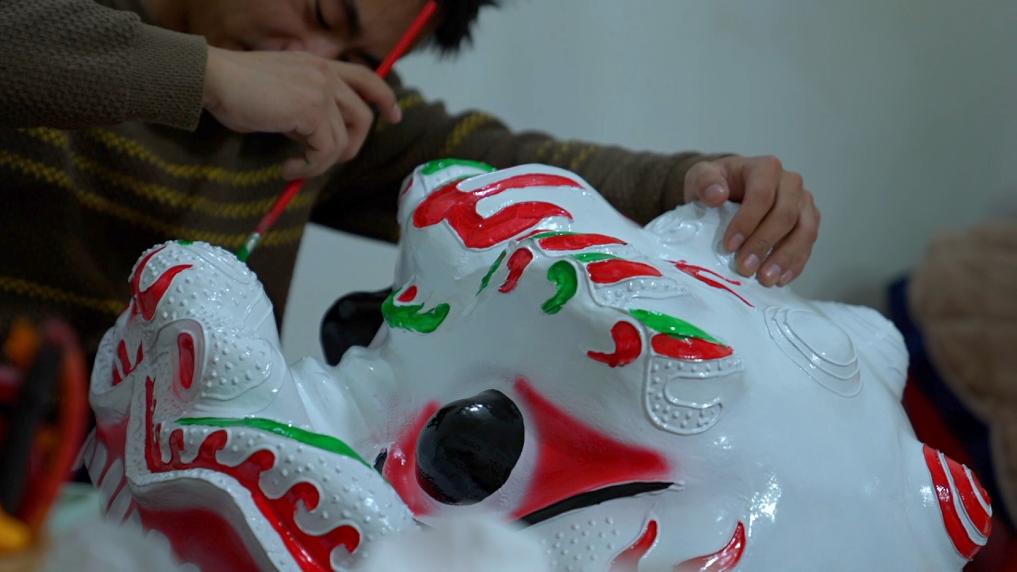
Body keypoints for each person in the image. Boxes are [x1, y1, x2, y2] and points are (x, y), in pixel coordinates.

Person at [0, 0, 820, 354]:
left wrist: (699, 182)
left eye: (355, 58)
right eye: (324, 13)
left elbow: (505, 164)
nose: (315, 67)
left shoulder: (322, 115)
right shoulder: (59, 27)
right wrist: (207, 74)